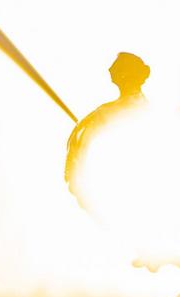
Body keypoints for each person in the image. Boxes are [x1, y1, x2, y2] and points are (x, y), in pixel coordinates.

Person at [64, 52, 150, 196]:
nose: (110, 69)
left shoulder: (107, 113)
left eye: (116, 65)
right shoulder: (104, 113)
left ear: (123, 74)